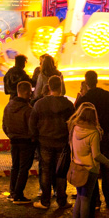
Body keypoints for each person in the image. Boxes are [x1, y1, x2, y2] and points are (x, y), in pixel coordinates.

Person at [74, 70, 109, 213]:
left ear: (86, 82)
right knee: (106, 169)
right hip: (103, 137)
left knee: (92, 171)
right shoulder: (106, 95)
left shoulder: (85, 99)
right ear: (97, 80)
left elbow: (76, 117)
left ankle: (96, 201)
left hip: (88, 140)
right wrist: (106, 133)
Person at [68, 102, 109, 218]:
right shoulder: (93, 132)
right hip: (89, 169)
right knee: (86, 200)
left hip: (77, 167)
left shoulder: (74, 128)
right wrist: (107, 162)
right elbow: (96, 154)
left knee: (79, 200)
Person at [29, 75, 73, 210]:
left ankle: (45, 201)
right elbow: (73, 124)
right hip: (62, 143)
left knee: (46, 171)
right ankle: (61, 200)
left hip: (44, 142)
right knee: (61, 172)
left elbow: (32, 124)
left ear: (48, 87)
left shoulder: (40, 104)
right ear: (61, 87)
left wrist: (36, 137)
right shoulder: (68, 105)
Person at [3, 80, 35, 203]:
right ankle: (18, 194)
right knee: (23, 168)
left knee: (15, 167)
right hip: (25, 142)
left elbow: (4, 125)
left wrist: (10, 135)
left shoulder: (8, 106)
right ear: (27, 93)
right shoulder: (28, 109)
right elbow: (32, 128)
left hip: (13, 140)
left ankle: (12, 192)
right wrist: (32, 138)